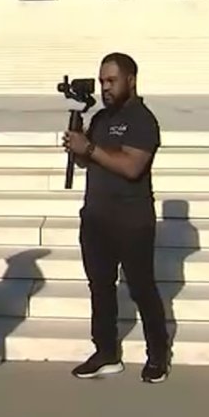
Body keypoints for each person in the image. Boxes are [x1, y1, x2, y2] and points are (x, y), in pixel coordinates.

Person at [61, 52, 170, 384]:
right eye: (102, 81)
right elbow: (89, 162)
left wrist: (89, 149)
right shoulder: (100, 118)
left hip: (132, 220)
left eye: (112, 80)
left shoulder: (143, 120)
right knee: (100, 287)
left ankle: (158, 356)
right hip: (96, 217)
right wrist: (78, 144)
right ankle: (106, 353)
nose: (105, 87)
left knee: (141, 288)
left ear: (130, 80)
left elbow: (132, 166)